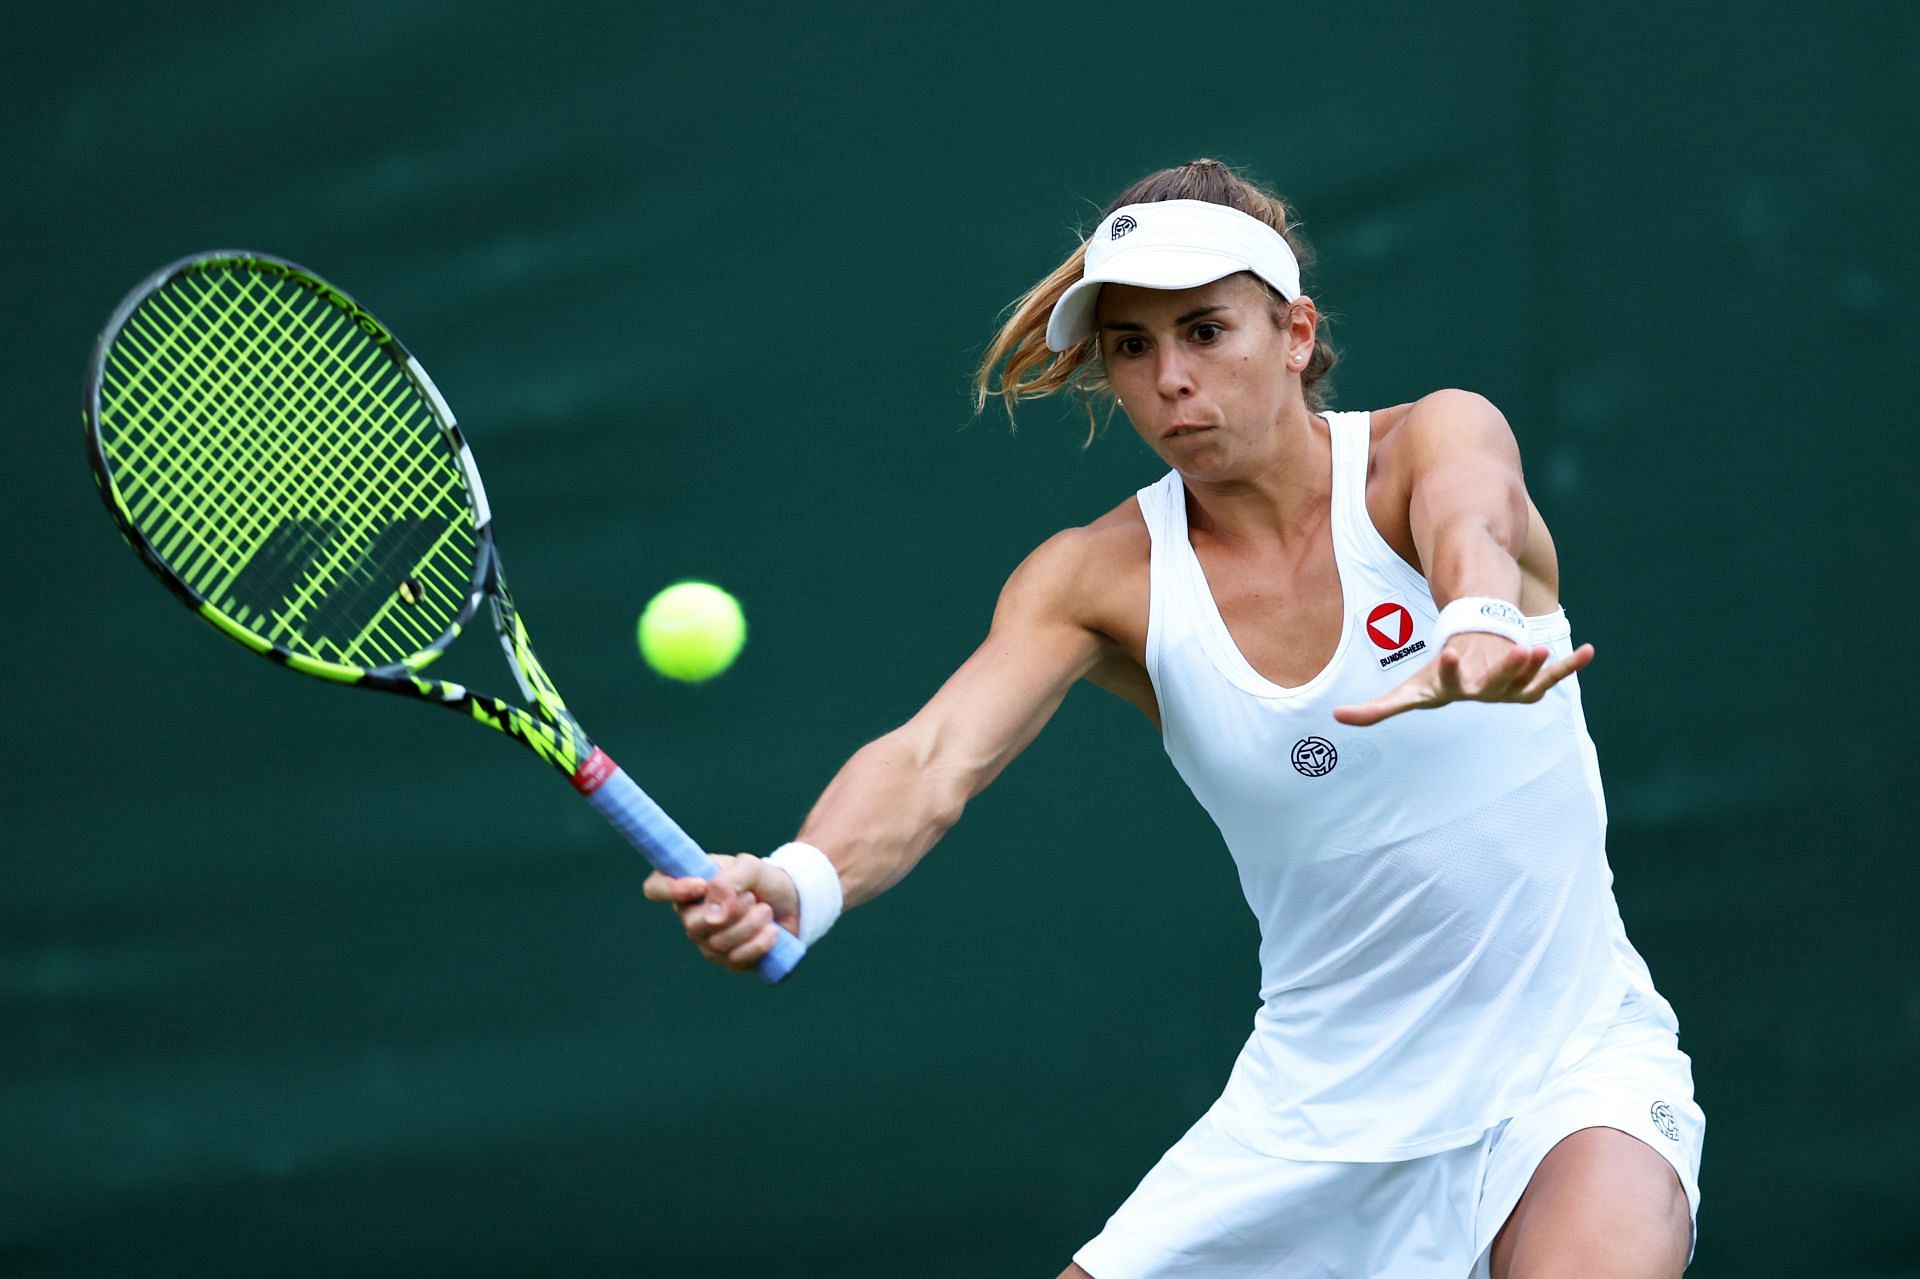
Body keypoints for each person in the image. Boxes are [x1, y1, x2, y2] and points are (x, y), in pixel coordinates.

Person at [642, 158, 1705, 1278]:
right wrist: (801, 880)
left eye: (1205, 331)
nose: (1169, 380)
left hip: (1571, 1079)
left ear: (1294, 333)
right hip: (1309, 1121)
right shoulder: (1094, 579)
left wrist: (1478, 619)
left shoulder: (1427, 445)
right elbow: (933, 755)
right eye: (1131, 347)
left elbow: (1471, 519)